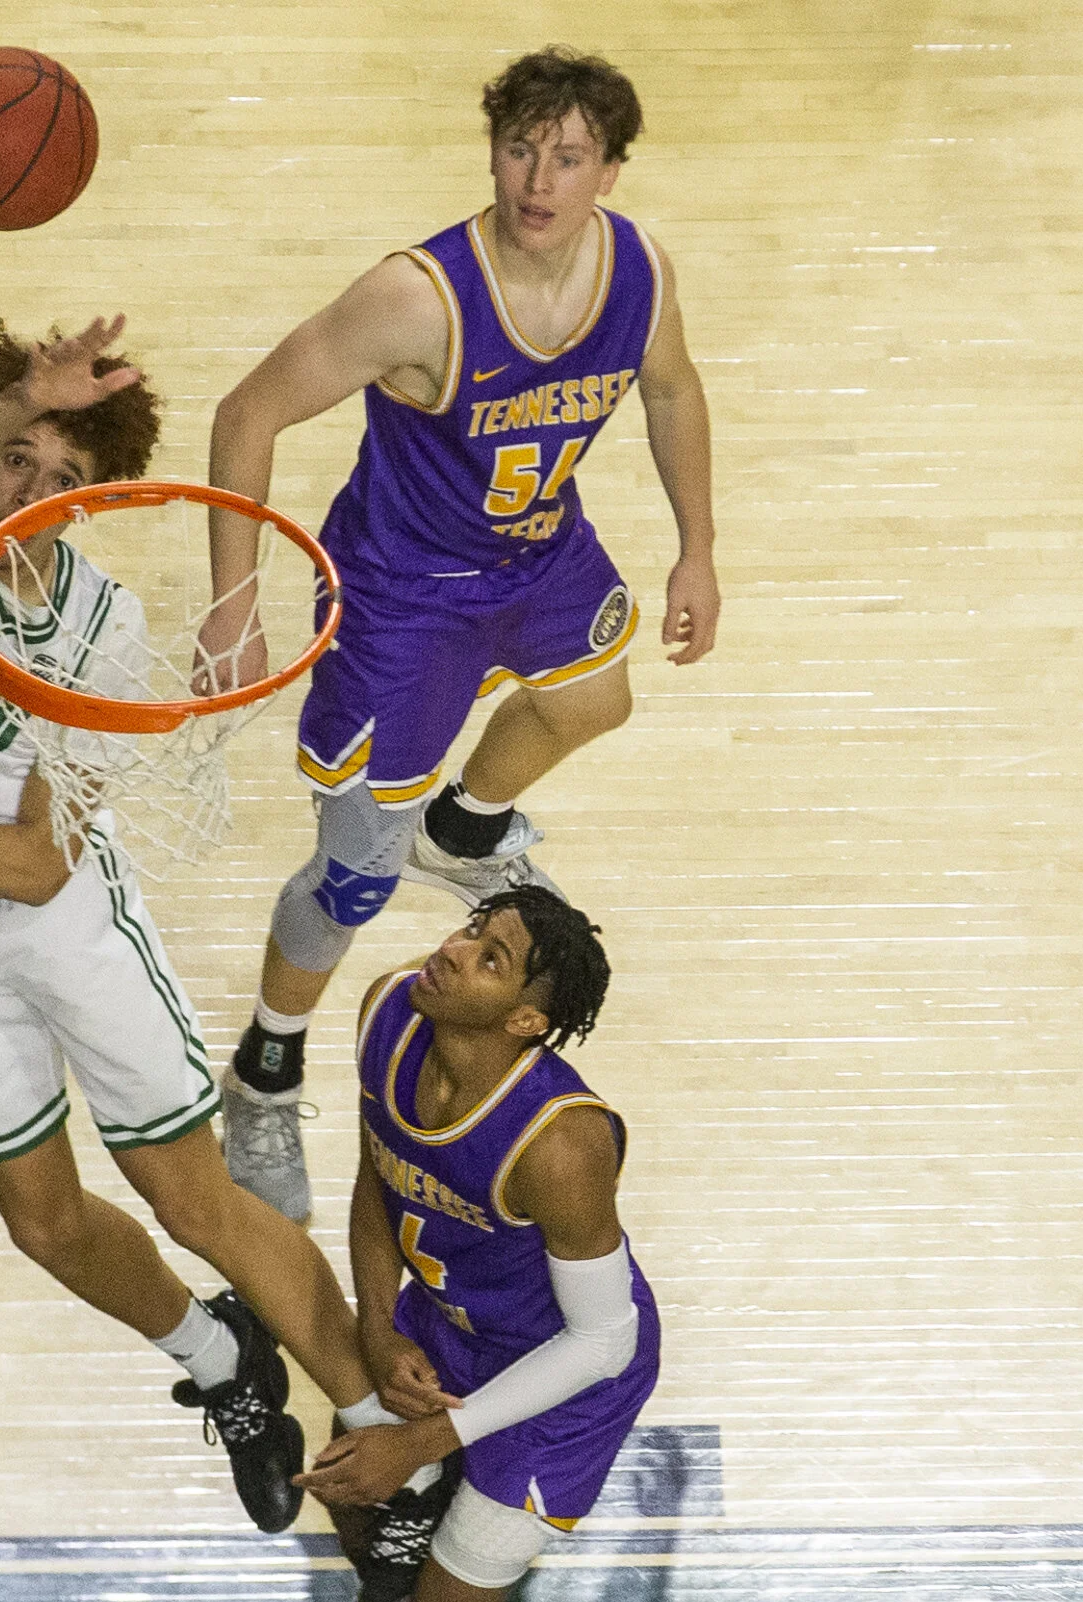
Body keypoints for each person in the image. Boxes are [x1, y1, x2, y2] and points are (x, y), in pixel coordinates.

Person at [0, 314, 388, 1534]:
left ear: (93, 502)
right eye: (17, 459)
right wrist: (13, 403)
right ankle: (224, 1364)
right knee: (43, 1224)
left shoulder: (101, 632)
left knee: (195, 1201)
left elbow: (36, 867)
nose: (27, 492)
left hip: (57, 928)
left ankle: (374, 1425)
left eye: (64, 480)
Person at [201, 45, 719, 1223]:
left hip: (536, 553)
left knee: (595, 697)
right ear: (492, 150)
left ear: (611, 172)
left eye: (568, 156)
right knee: (349, 881)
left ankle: (464, 822)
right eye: (518, 148)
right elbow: (247, 413)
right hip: (403, 594)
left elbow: (674, 390)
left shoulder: (637, 269)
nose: (537, 178)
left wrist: (695, 547)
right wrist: (235, 603)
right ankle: (264, 1071)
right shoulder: (417, 295)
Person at [290, 885, 661, 1602]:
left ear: (524, 1023)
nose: (453, 951)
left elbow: (600, 1336)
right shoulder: (389, 1009)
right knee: (369, 1515)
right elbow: (382, 1171)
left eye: (490, 958)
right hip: (442, 1324)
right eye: (470, 929)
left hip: (559, 1388)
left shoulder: (562, 1141)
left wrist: (429, 1436)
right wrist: (371, 1311)